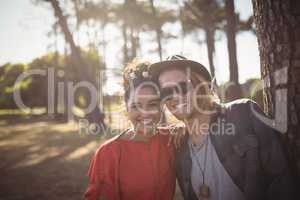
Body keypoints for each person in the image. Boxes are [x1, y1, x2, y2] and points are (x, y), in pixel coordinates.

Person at [149, 55, 296, 200]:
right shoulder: (179, 148)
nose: (175, 97)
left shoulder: (243, 113)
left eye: (182, 87)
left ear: (201, 85)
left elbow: (281, 180)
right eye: (166, 92)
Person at [84, 60, 176, 200]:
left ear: (161, 107)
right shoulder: (108, 153)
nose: (145, 113)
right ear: (126, 109)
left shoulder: (172, 139)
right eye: (135, 106)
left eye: (152, 104)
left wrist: (181, 128)